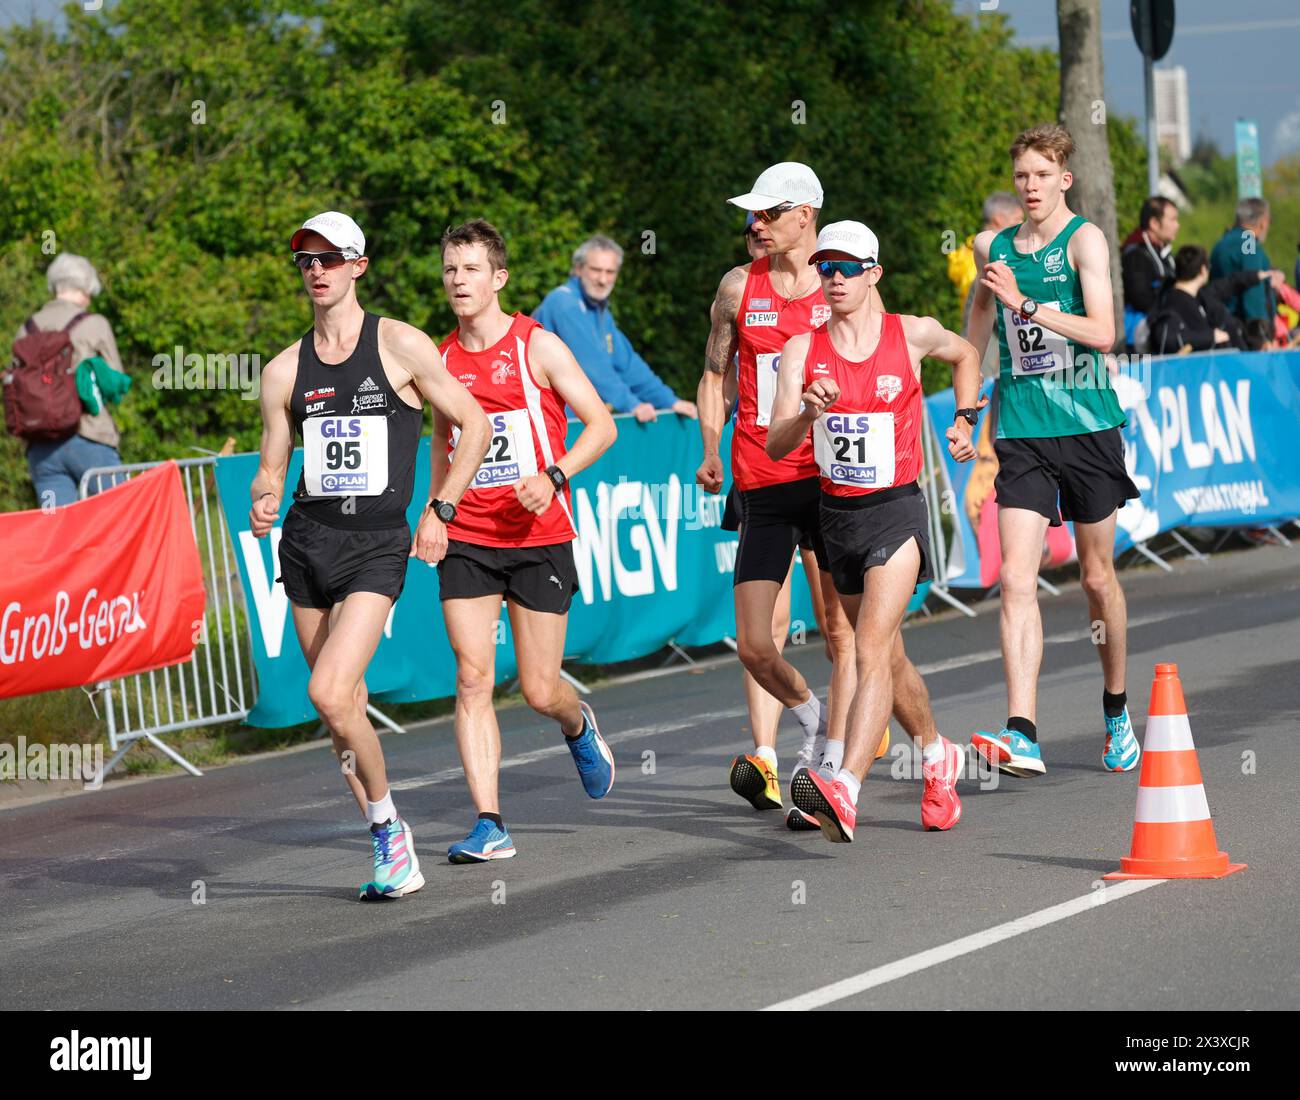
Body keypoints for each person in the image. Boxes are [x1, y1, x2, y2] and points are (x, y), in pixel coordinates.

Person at [250, 211, 491, 899]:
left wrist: (441, 508)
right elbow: (272, 465)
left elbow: (472, 424)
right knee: (339, 711)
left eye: (330, 259)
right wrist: (263, 497)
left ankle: (389, 829)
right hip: (306, 547)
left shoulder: (401, 346)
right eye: (305, 261)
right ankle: (391, 850)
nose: (316, 271)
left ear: (358, 265)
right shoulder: (282, 372)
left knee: (326, 690)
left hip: (376, 547)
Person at [766, 221, 983, 840]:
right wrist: (808, 409)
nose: (833, 278)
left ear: (873, 274)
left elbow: (967, 353)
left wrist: (967, 419)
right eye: (825, 268)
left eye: (847, 268)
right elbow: (777, 444)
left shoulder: (908, 334)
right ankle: (939, 754)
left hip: (897, 508)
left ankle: (846, 787)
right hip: (838, 516)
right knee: (886, 652)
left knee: (865, 650)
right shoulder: (801, 351)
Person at [435, 219, 618, 864]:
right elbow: (444, 441)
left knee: (539, 689)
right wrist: (437, 509)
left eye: (472, 269)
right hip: (468, 537)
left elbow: (601, 427)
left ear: (499, 278)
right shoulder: (443, 359)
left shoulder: (535, 346)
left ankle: (577, 723)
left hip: (539, 535)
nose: (459, 280)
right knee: (472, 677)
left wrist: (554, 474)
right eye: (451, 269)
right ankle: (490, 822)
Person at [965, 123, 1142, 778]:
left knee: (1097, 579)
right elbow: (974, 336)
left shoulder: (1084, 240)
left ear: (1064, 179)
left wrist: (1030, 305)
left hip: (1089, 424)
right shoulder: (994, 246)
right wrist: (964, 411)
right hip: (1022, 433)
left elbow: (1104, 332)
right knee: (1016, 575)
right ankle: (1024, 731)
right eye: (1022, 176)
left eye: (1042, 175)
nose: (1031, 187)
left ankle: (1117, 711)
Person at [695, 162, 861, 824]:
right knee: (758, 640)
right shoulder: (738, 288)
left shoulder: (842, 285)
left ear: (805, 216)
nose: (756, 224)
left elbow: (879, 359)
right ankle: (798, 737)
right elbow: (713, 375)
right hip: (763, 477)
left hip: (829, 479)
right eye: (753, 215)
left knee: (838, 629)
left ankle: (831, 766)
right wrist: (710, 448)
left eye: (769, 213)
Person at [533, 235, 697, 423]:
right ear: (578, 269)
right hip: (553, 423)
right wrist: (631, 404)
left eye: (610, 272)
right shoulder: (565, 304)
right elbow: (592, 366)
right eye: (596, 270)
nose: (603, 279)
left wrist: (669, 401)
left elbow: (627, 365)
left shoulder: (597, 308)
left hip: (573, 423)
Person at [13, 254, 126, 507]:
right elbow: (115, 383)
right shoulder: (94, 324)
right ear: (85, 287)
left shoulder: (26, 328)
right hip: (90, 437)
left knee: (60, 532)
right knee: (118, 519)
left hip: (41, 449)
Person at [961, 192, 1023, 378]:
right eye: (1017, 220)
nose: (1021, 226)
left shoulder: (966, 252)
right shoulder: (988, 255)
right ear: (998, 220)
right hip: (987, 351)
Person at [1147, 246, 1234, 354]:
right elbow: (1168, 338)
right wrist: (1211, 336)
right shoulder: (1179, 302)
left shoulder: (1172, 295)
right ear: (1203, 270)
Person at [1120, 196, 1178, 349]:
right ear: (1153, 223)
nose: (1177, 225)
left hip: (1160, 331)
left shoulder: (1164, 254)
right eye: (1172, 220)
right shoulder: (1135, 254)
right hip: (1138, 339)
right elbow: (1140, 298)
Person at [1210, 197, 1276, 325]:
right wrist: (1260, 333)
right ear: (1263, 221)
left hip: (1221, 321)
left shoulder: (1221, 243)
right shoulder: (1249, 243)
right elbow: (1252, 288)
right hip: (1244, 328)